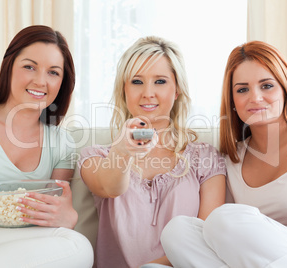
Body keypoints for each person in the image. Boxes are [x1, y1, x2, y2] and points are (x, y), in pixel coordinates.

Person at [160, 40, 287, 267]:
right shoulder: (231, 158)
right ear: (233, 101)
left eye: (266, 86)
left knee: (223, 218)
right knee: (177, 231)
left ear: (285, 89)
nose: (255, 98)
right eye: (243, 89)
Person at [0, 25, 93, 267]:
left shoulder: (62, 144)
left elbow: (57, 210)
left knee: (77, 245)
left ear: (63, 82)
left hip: (13, 244)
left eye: (53, 73)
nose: (40, 81)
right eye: (29, 67)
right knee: (75, 246)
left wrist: (68, 217)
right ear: (9, 67)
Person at [79, 36, 226, 268]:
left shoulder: (205, 158)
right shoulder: (94, 157)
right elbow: (109, 187)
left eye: (160, 81)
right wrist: (123, 151)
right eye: (137, 82)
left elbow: (207, 238)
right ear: (124, 90)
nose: (148, 93)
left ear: (176, 89)